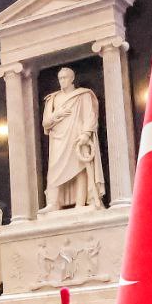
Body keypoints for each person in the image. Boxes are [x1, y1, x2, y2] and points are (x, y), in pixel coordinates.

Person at [41, 67, 105, 212]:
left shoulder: (83, 95)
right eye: (60, 78)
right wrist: (57, 114)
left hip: (77, 135)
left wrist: (86, 134)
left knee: (80, 168)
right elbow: (46, 123)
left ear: (72, 79)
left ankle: (80, 203)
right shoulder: (52, 99)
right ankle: (53, 203)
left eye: (65, 78)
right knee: (55, 170)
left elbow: (90, 115)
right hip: (58, 139)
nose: (62, 81)